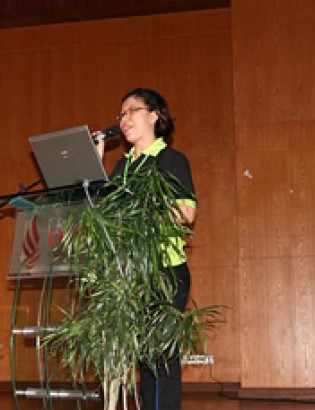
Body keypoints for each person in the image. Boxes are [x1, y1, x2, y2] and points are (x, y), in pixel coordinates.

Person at [96, 88, 196, 410]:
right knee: (145, 364)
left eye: (132, 111)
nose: (124, 119)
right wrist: (97, 163)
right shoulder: (122, 168)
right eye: (121, 114)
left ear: (155, 116)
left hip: (165, 271)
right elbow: (103, 216)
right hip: (131, 274)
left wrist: (141, 211)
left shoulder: (171, 160)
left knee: (161, 359)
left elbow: (185, 215)